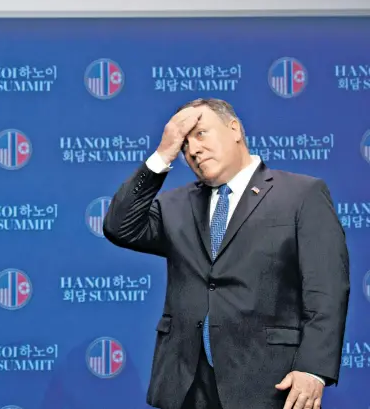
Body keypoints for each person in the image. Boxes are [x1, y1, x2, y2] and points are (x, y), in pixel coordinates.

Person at [103, 98, 350, 409]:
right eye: (183, 144)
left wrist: (313, 369)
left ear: (234, 129)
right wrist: (161, 156)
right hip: (186, 387)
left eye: (201, 133)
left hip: (269, 382)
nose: (192, 150)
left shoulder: (301, 195)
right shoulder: (175, 205)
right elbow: (119, 227)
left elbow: (326, 290)